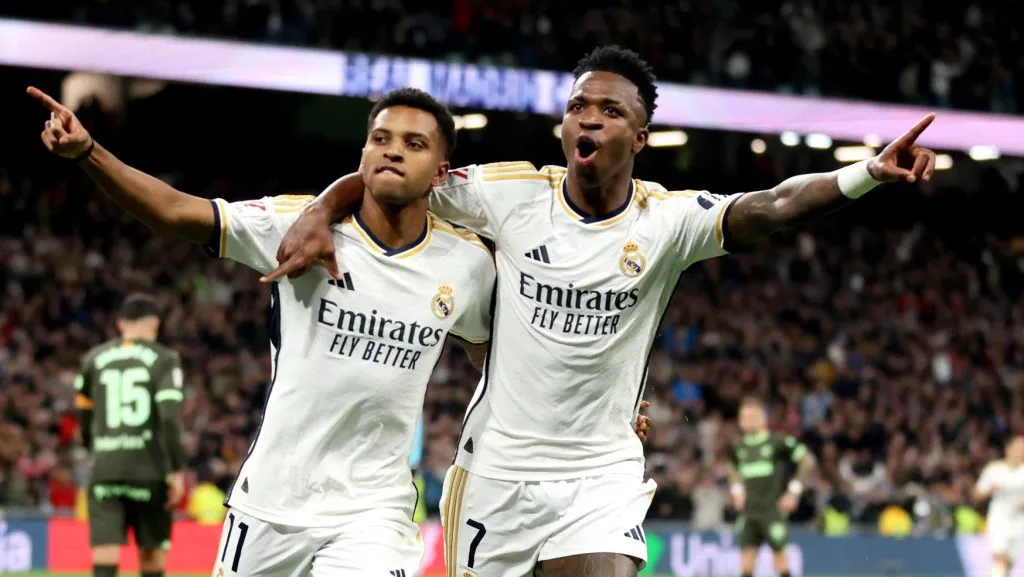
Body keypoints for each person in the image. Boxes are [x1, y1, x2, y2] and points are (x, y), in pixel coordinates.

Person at [266, 45, 937, 577]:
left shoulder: (668, 221)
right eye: (578, 106)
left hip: (600, 474)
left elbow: (773, 204)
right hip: (496, 472)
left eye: (609, 111)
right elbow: (394, 175)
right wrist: (325, 207)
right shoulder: (509, 194)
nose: (588, 117)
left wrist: (866, 173)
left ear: (640, 136)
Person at [30, 85, 497, 577]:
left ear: (442, 174)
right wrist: (88, 151)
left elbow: (490, 347)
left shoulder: (466, 265)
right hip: (272, 501)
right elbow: (175, 211)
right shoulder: (296, 227)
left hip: (373, 511)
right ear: (363, 153)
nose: (393, 150)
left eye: (414, 144)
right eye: (380, 138)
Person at [74, 293, 187, 577]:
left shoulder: (93, 359)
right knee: (151, 555)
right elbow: (170, 420)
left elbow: (84, 417)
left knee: (105, 553)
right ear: (155, 324)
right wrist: (177, 469)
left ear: (120, 323)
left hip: (105, 469)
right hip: (148, 469)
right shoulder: (164, 359)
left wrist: (94, 451)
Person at [728, 397, 816, 577]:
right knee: (746, 563)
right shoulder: (739, 447)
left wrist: (793, 492)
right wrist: (737, 491)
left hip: (772, 510)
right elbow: (733, 470)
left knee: (780, 561)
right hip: (749, 511)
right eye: (743, 416)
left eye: (751, 416)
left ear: (762, 417)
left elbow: (807, 460)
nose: (747, 420)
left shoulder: (778, 442)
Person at [974, 435, 1024, 577]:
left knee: (1007, 564)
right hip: (999, 520)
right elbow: (977, 493)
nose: (1021, 451)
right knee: (1000, 559)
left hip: (1019, 522)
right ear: (1008, 449)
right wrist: (989, 489)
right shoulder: (994, 470)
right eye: (1018, 447)